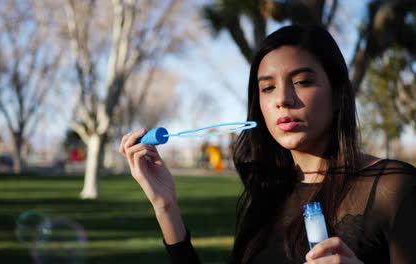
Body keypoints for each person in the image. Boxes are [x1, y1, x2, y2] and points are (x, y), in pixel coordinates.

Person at [119, 24, 416, 264]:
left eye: (301, 81)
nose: (282, 99)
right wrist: (165, 205)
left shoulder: (395, 188)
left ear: (338, 92)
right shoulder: (268, 190)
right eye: (268, 87)